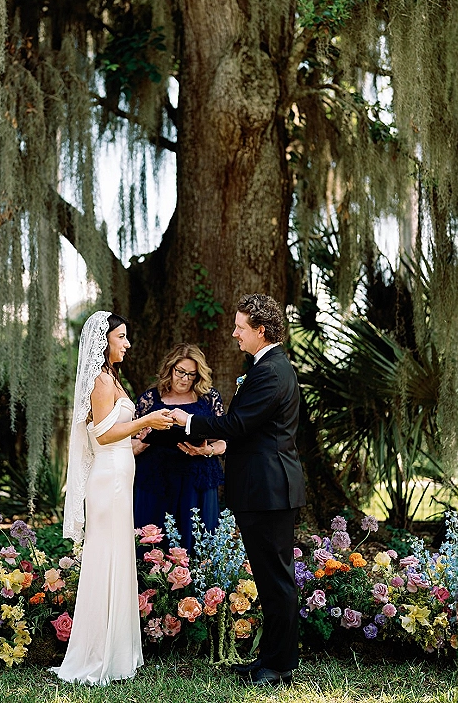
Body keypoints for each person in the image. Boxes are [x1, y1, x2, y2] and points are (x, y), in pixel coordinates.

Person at [170, 294, 306, 688]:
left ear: (260, 330)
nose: (234, 333)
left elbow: (239, 423)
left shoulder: (272, 371)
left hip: (270, 490)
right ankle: (269, 658)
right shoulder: (265, 367)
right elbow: (255, 430)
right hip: (262, 487)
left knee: (276, 579)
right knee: (268, 577)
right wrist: (215, 444)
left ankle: (279, 666)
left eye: (240, 327)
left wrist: (190, 422)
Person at [50, 310, 173, 685]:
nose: (128, 343)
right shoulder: (101, 382)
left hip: (120, 475)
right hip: (108, 482)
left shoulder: (112, 379)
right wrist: (145, 421)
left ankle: (119, 649)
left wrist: (142, 439)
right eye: (122, 337)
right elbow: (102, 436)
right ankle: (99, 652)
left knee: (118, 556)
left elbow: (113, 434)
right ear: (104, 341)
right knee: (105, 557)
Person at [132, 343, 226, 553]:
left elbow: (224, 441)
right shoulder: (150, 399)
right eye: (180, 372)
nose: (184, 379)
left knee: (198, 544)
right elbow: (129, 445)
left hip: (197, 480)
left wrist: (206, 450)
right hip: (157, 480)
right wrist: (147, 437)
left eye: (191, 375)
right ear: (170, 369)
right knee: (152, 546)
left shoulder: (208, 398)